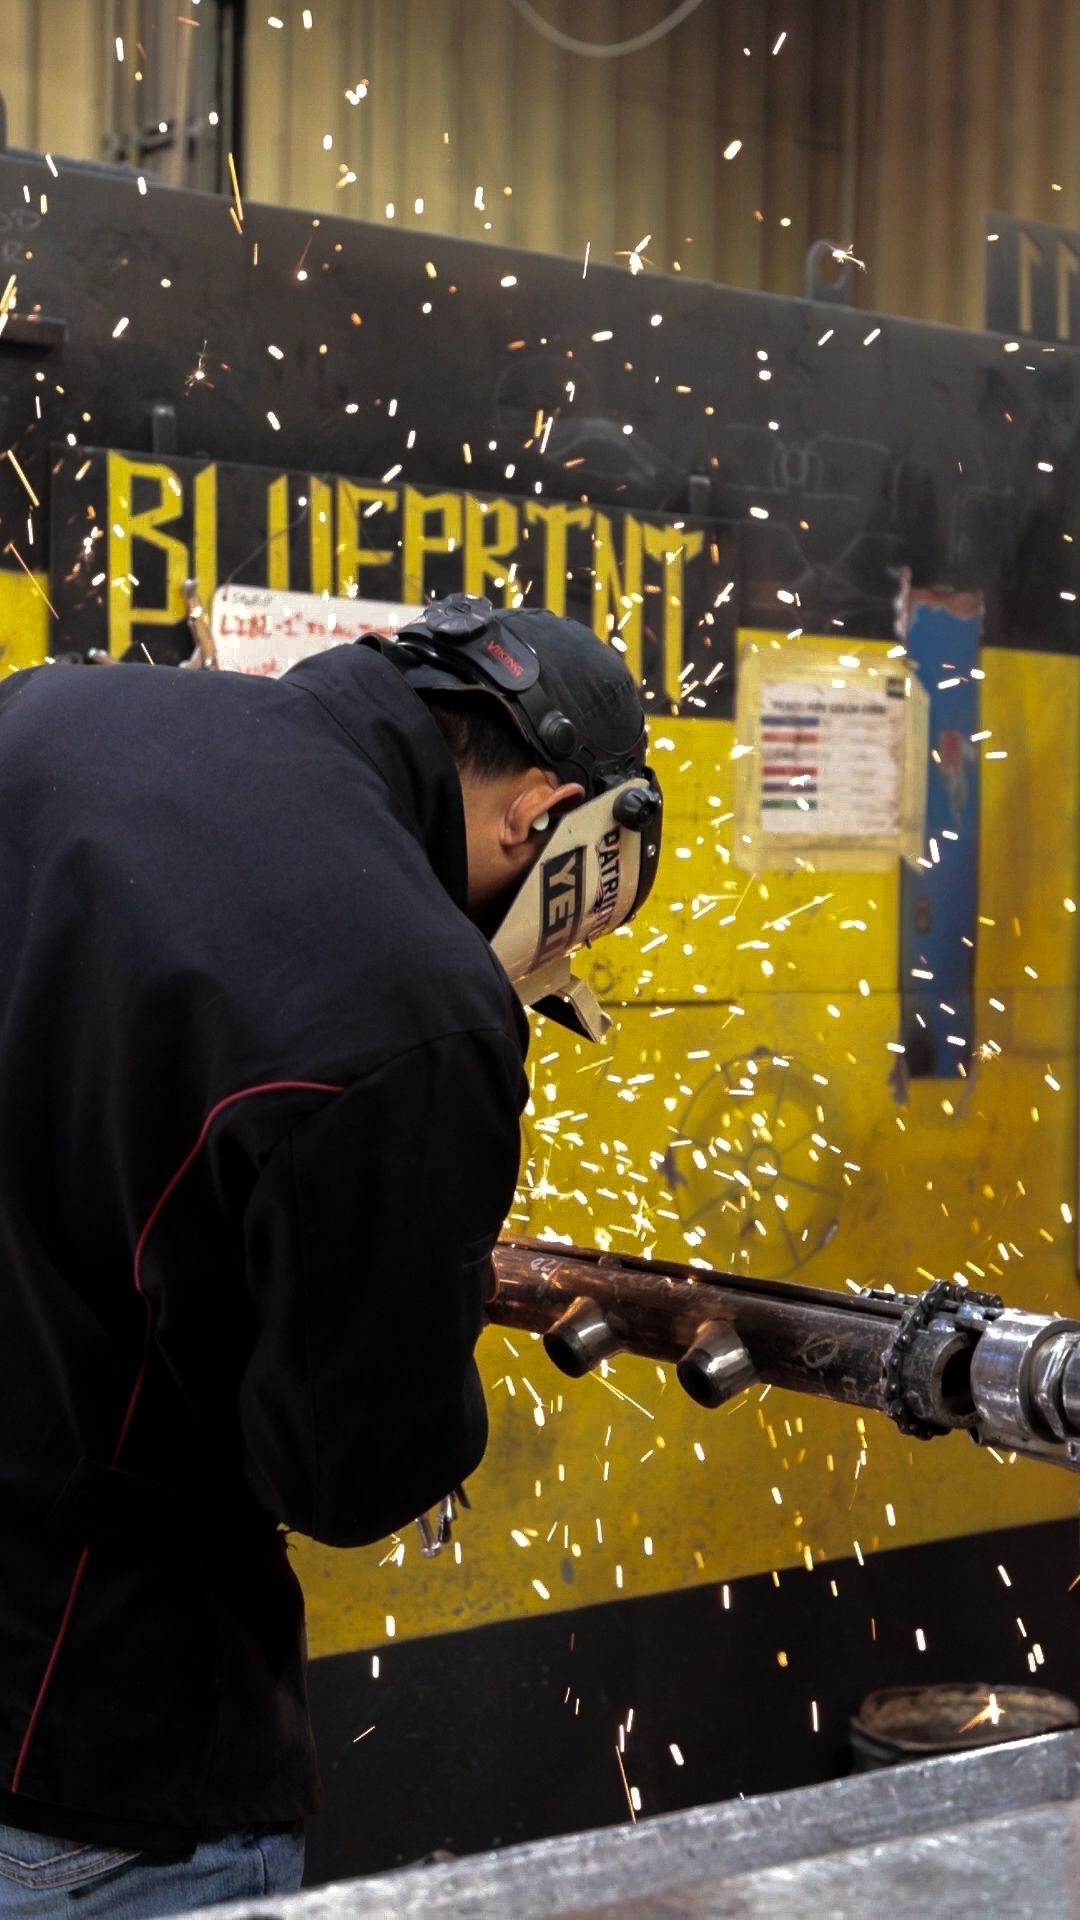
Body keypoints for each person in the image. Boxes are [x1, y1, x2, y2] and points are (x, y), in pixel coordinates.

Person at [0, 593, 661, 1917]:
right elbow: (348, 1472)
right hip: (95, 1743)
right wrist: (415, 1286)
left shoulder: (50, 710)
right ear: (542, 812)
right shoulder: (411, 1001)